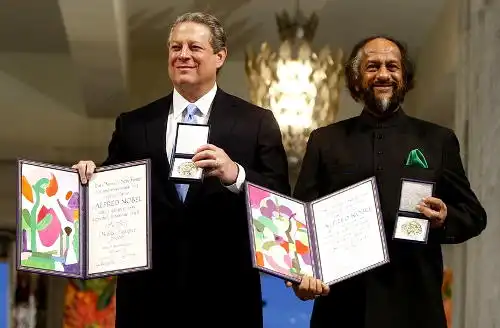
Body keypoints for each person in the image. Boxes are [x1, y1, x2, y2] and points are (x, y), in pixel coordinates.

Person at [72, 12, 290, 327]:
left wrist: (236, 176)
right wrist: (89, 176)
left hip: (227, 298)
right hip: (146, 300)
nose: (182, 55)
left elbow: (281, 202)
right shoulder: (133, 124)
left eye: (193, 47)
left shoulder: (256, 122)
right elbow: (109, 191)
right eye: (175, 48)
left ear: (219, 56)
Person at [287, 35, 487, 328]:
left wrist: (445, 217)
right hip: (341, 307)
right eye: (372, 67)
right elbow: (300, 219)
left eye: (392, 66)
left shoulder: (437, 140)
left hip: (416, 306)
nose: (383, 74)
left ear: (404, 77)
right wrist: (298, 278)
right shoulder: (325, 141)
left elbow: (474, 216)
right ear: (356, 80)